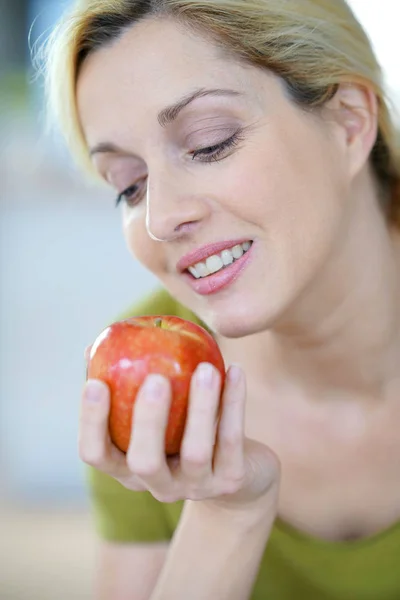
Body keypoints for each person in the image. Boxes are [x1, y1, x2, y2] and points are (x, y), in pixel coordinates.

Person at [43, 0, 400, 598]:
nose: (159, 219)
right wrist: (226, 514)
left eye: (209, 143)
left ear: (348, 121)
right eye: (129, 185)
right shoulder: (145, 395)